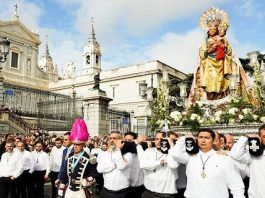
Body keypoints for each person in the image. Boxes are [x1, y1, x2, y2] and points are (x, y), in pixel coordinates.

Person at [169, 128, 245, 198]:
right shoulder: (190, 157)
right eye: (200, 137)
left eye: (206, 138)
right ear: (196, 139)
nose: (203, 140)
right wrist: (185, 138)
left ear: (213, 140)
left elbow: (236, 185)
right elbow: (175, 153)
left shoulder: (224, 159)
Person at [59, 119, 99, 198]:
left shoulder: (89, 157)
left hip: (81, 190)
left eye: (78, 144)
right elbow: (64, 172)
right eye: (74, 144)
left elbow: (95, 174)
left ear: (83, 144)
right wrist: (62, 184)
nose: (75, 146)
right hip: (69, 189)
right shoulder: (69, 156)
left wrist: (87, 180)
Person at [140, 131, 180, 198]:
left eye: (162, 139)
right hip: (148, 193)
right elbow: (142, 164)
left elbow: (173, 165)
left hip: (165, 195)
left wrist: (172, 145)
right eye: (156, 139)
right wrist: (159, 162)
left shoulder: (173, 152)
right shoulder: (149, 151)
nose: (158, 141)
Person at [230, 124, 265, 198]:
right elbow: (234, 154)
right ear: (260, 139)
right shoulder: (253, 155)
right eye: (264, 136)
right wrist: (245, 137)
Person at [97, 130, 132, 198]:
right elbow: (99, 169)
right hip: (107, 191)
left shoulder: (128, 154)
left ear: (121, 140)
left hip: (122, 192)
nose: (112, 140)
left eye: (115, 138)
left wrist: (118, 150)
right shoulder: (104, 153)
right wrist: (114, 164)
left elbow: (121, 166)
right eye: (110, 138)